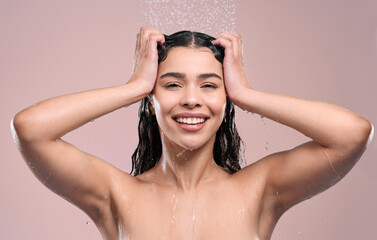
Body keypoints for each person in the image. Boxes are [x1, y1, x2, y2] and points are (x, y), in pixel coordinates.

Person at [11, 27, 373, 240]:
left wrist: (247, 95)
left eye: (209, 85)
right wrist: (134, 86)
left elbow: (353, 134)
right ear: (151, 99)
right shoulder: (116, 194)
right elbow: (30, 129)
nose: (191, 100)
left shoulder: (260, 188)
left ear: (226, 96)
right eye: (172, 84)